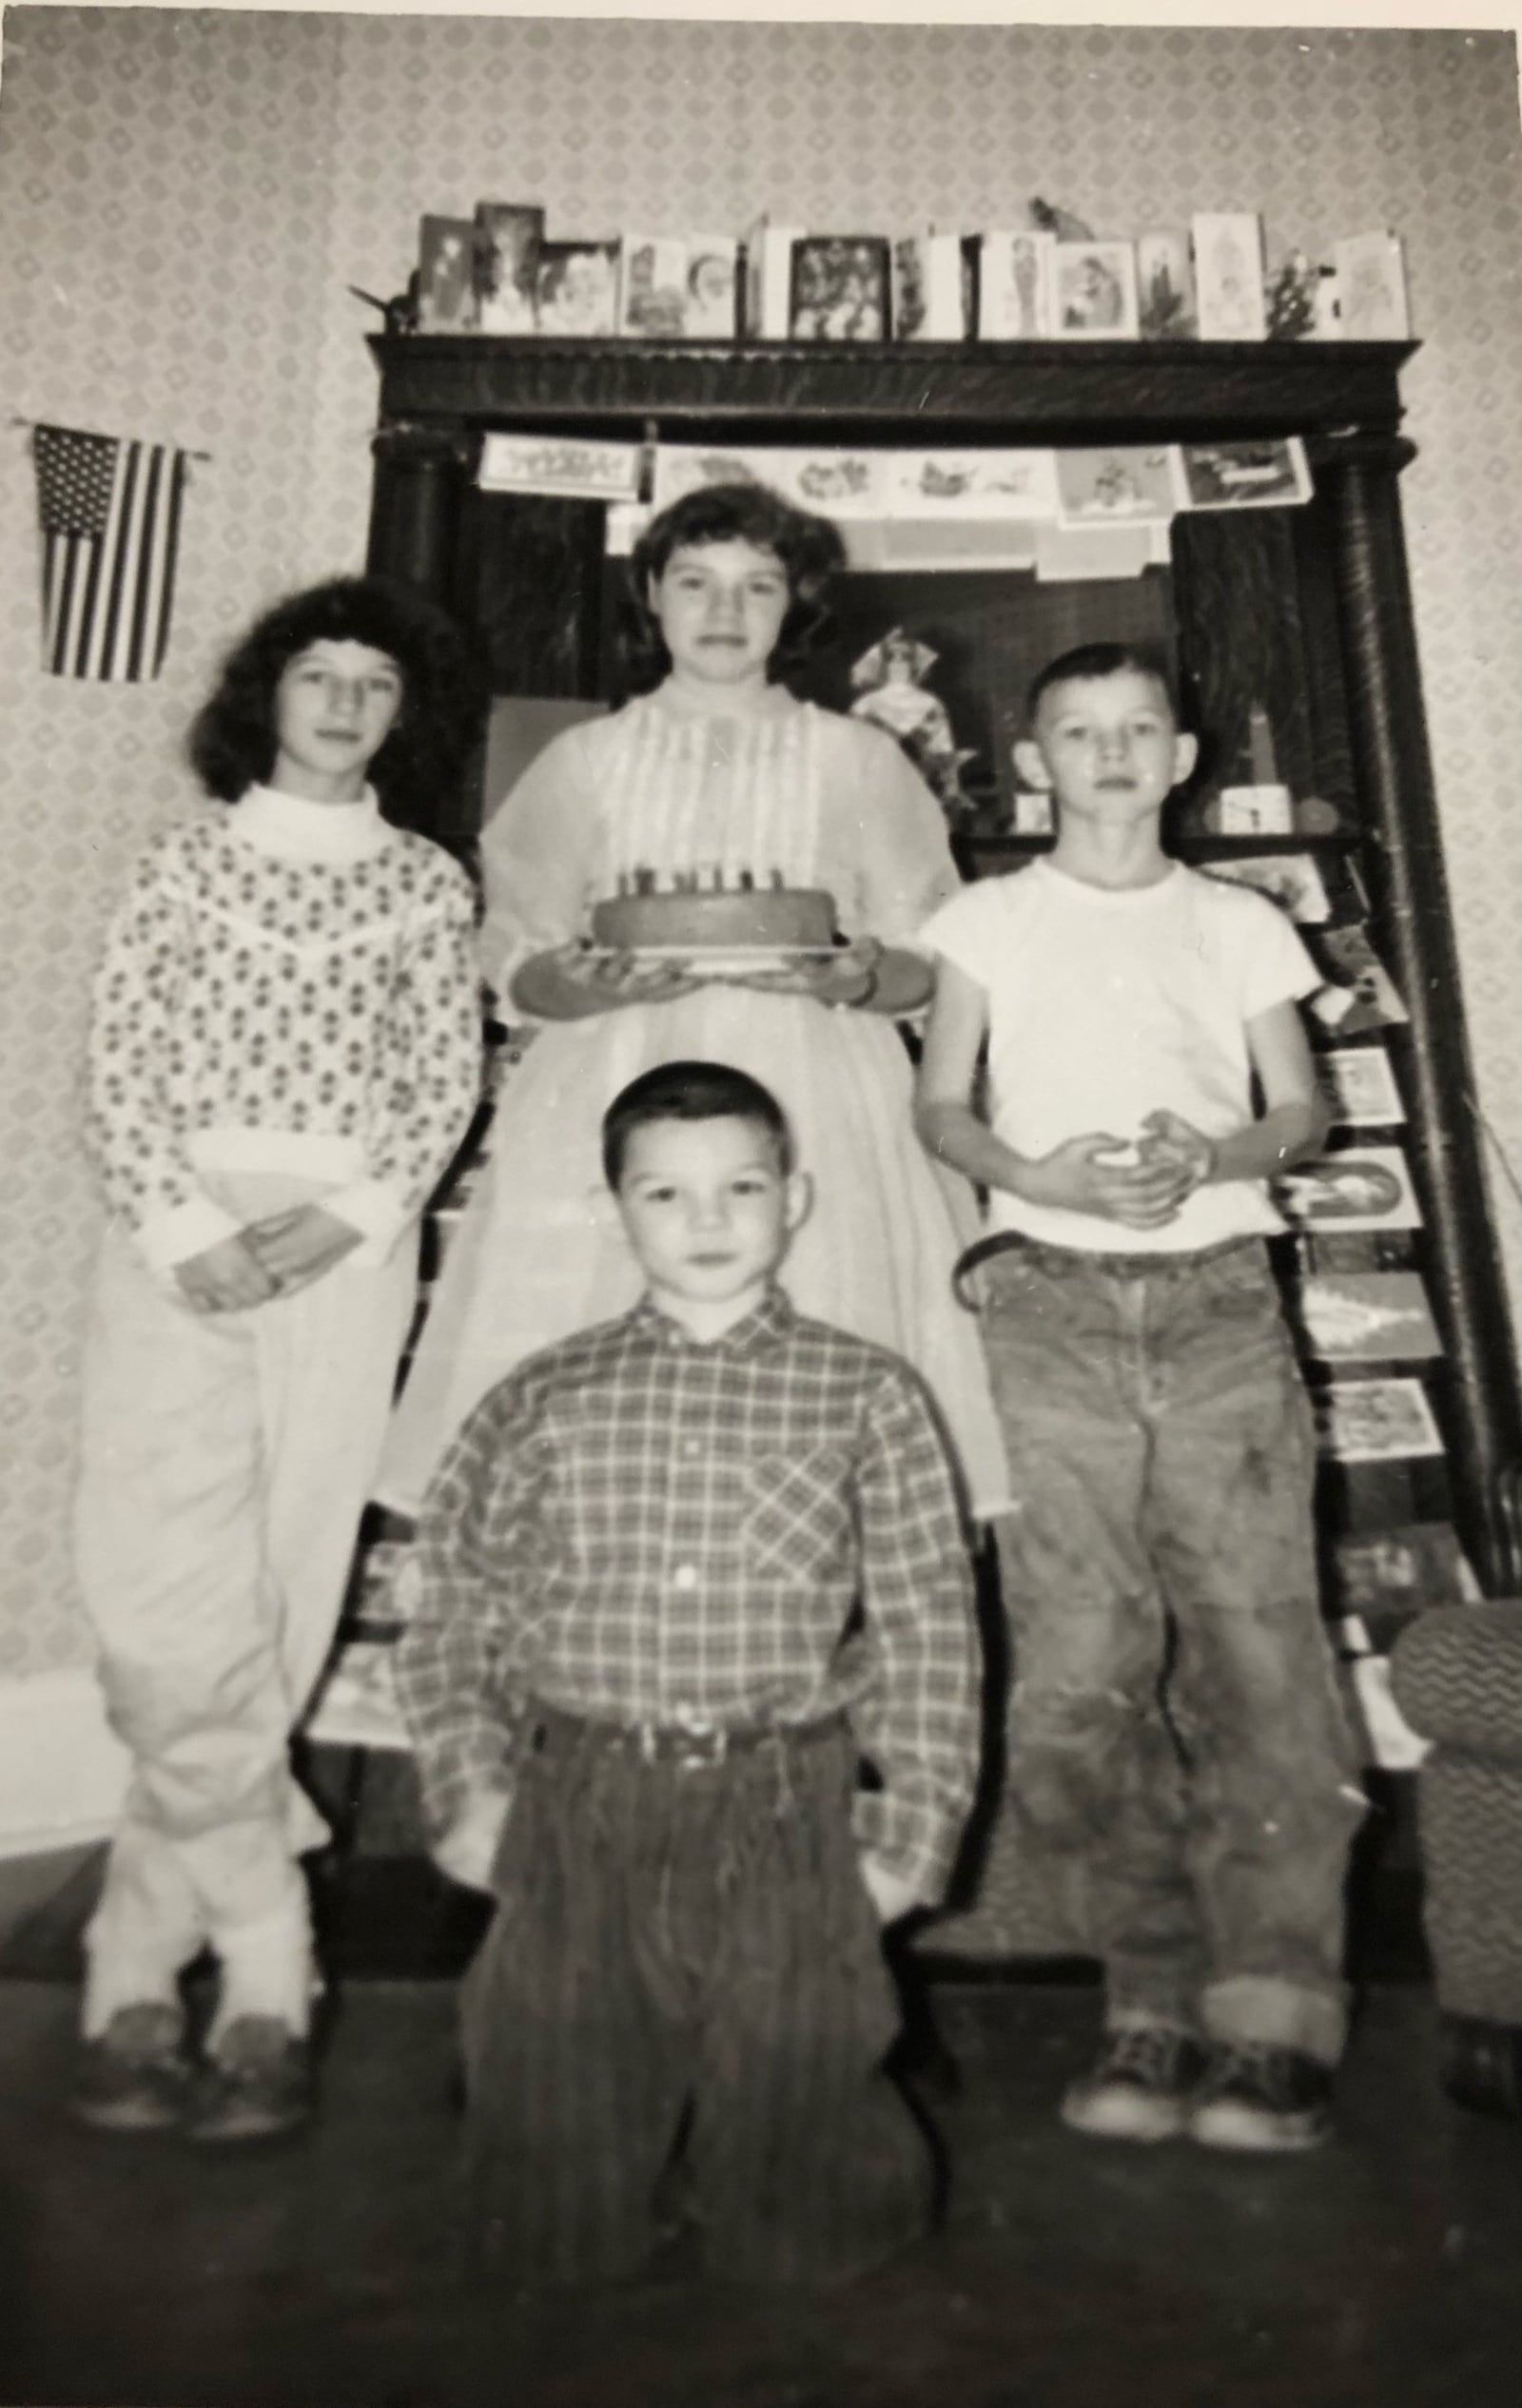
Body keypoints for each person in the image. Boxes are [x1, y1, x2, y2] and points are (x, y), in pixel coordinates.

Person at [394, 1060, 980, 2283]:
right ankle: (571, 2170)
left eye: (740, 1188)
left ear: (795, 1199)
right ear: (617, 1211)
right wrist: (468, 1788)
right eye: (665, 1194)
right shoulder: (542, 1397)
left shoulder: (866, 1392)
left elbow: (930, 1624)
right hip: (579, 1799)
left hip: (782, 1802)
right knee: (549, 2207)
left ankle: (788, 2191)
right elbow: (452, 1598)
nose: (707, 1222)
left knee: (811, 2180)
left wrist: (907, 1835)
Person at [914, 642, 1366, 2154]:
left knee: (1256, 1652)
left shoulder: (1237, 922)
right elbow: (942, 1105)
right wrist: (1032, 1174)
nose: (1109, 754)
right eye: (1075, 733)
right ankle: (1151, 1996)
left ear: (1182, 759)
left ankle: (1278, 2014)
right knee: (1078, 1665)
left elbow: (1298, 1110)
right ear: (1034, 762)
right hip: (1041, 1301)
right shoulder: (984, 918)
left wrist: (1217, 1156)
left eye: (1138, 730)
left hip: (1223, 1303)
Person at [376, 479, 1008, 1524]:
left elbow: (929, 953)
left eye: (757, 586)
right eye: (696, 582)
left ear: (792, 607)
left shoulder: (857, 757)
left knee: (817, 1365)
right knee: (606, 1386)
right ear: (653, 599)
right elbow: (514, 951)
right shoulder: (584, 759)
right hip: (617, 1077)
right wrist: (566, 984)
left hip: (816, 1093)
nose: (725, 610)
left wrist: (855, 976)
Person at [71, 576, 487, 2142]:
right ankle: (269, 1936)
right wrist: (185, 1223)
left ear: (403, 718)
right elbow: (117, 1059)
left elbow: (439, 1077)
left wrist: (353, 1214)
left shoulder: (426, 881)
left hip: (344, 1256)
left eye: (377, 685)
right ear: (269, 694)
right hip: (173, 1245)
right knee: (155, 1611)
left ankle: (140, 1966)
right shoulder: (181, 861)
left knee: (281, 1591)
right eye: (320, 675)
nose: (345, 704)